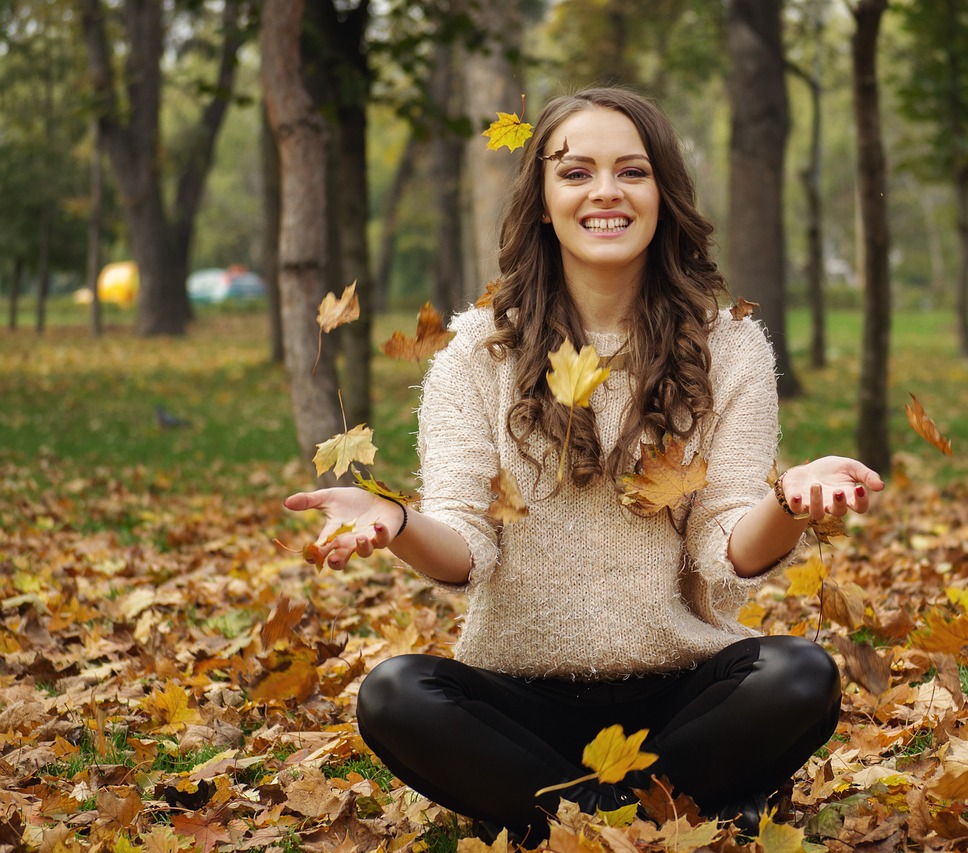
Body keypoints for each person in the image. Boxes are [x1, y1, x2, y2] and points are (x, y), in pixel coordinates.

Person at [284, 86, 884, 846]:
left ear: (663, 193)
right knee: (396, 693)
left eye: (632, 171)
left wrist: (790, 503)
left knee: (800, 675)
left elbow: (728, 546)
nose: (606, 191)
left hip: (681, 699)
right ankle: (652, 819)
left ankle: (574, 825)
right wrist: (398, 521)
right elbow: (466, 548)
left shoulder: (729, 349)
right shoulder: (475, 354)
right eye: (576, 173)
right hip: (520, 706)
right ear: (541, 199)